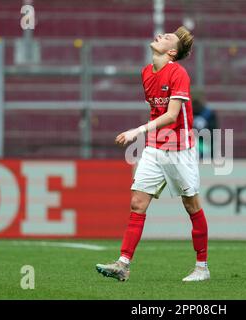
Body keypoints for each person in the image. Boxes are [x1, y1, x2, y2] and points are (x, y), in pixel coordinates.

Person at [96, 27, 210, 282]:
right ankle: (123, 264)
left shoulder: (178, 73)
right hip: (155, 148)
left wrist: (136, 131)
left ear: (171, 52)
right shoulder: (146, 73)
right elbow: (156, 113)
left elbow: (171, 115)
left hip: (180, 149)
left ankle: (202, 268)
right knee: (138, 203)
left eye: (167, 37)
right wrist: (146, 136)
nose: (160, 35)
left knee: (191, 205)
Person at [192, 90, 218, 159]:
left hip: (204, 145)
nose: (195, 105)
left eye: (197, 102)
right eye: (194, 102)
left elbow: (213, 134)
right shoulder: (185, 113)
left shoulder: (208, 114)